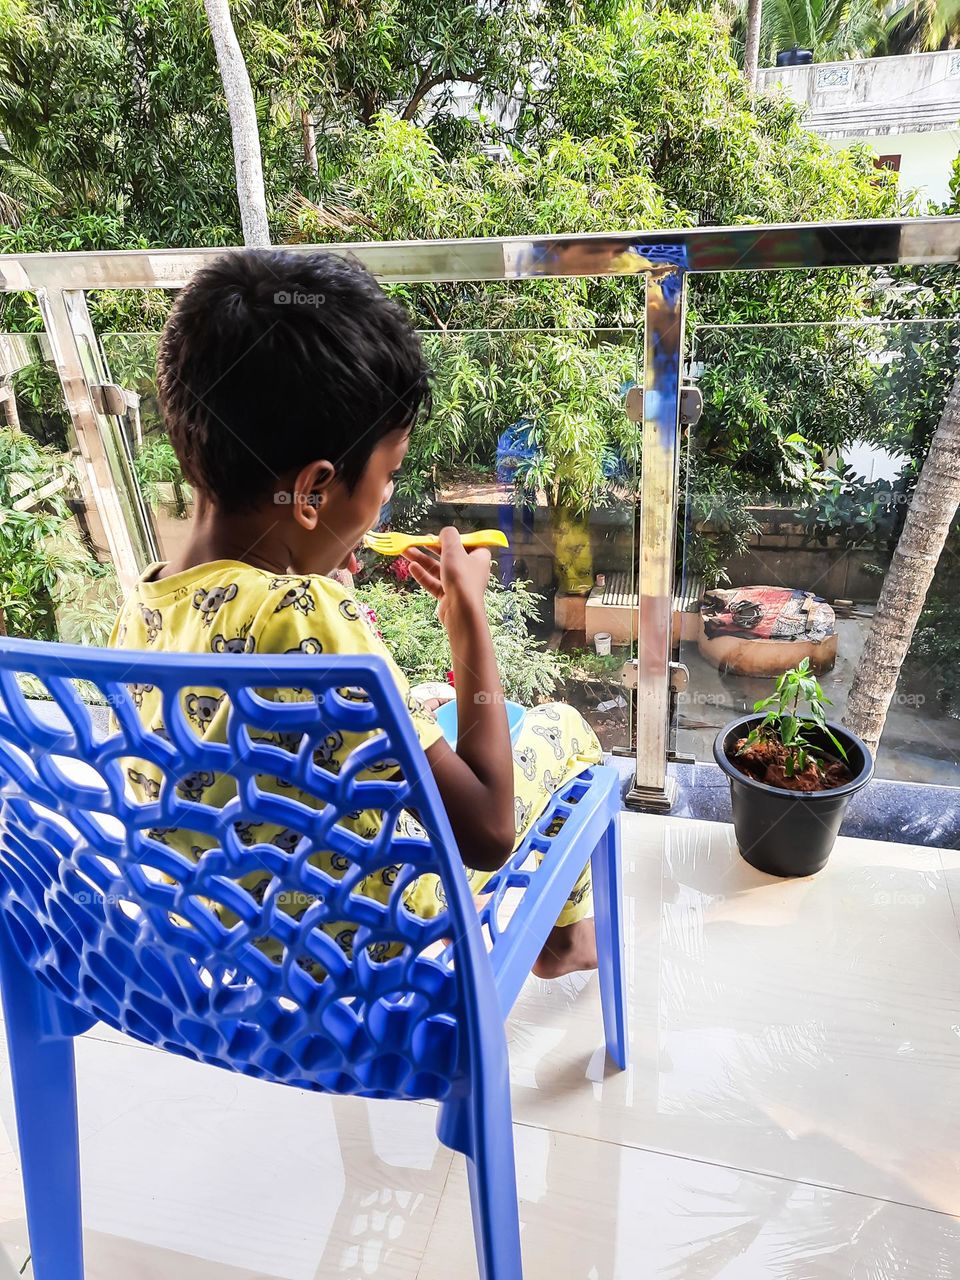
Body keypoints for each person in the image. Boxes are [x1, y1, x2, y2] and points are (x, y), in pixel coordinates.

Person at [110, 249, 602, 978]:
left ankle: (559, 942)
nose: (385, 500)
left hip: (227, 930)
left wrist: (306, 571)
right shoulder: (315, 617)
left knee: (422, 712)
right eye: (390, 473)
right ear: (313, 490)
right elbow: (491, 833)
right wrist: (469, 622)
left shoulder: (140, 609)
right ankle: (562, 945)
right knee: (562, 729)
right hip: (367, 935)